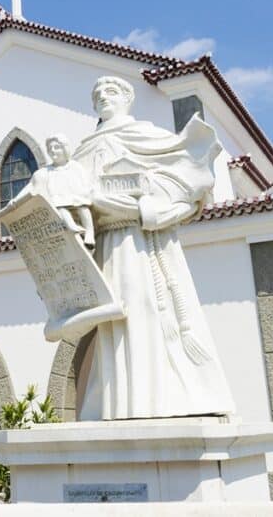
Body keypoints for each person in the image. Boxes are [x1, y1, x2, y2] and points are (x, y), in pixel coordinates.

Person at [70, 75, 235, 420]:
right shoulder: (83, 149)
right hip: (107, 246)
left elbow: (189, 186)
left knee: (150, 311)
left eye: (111, 91)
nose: (102, 95)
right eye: (96, 92)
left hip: (144, 244)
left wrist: (144, 210)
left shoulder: (147, 136)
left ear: (128, 99)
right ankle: (119, 403)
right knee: (114, 321)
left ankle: (160, 399)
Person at [23, 134, 96, 248]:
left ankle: (89, 233)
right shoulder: (48, 170)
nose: (53, 151)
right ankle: (72, 226)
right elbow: (32, 185)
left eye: (56, 147)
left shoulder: (74, 166)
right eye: (50, 149)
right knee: (59, 206)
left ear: (64, 148)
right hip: (59, 197)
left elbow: (84, 179)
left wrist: (86, 191)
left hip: (77, 195)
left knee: (82, 206)